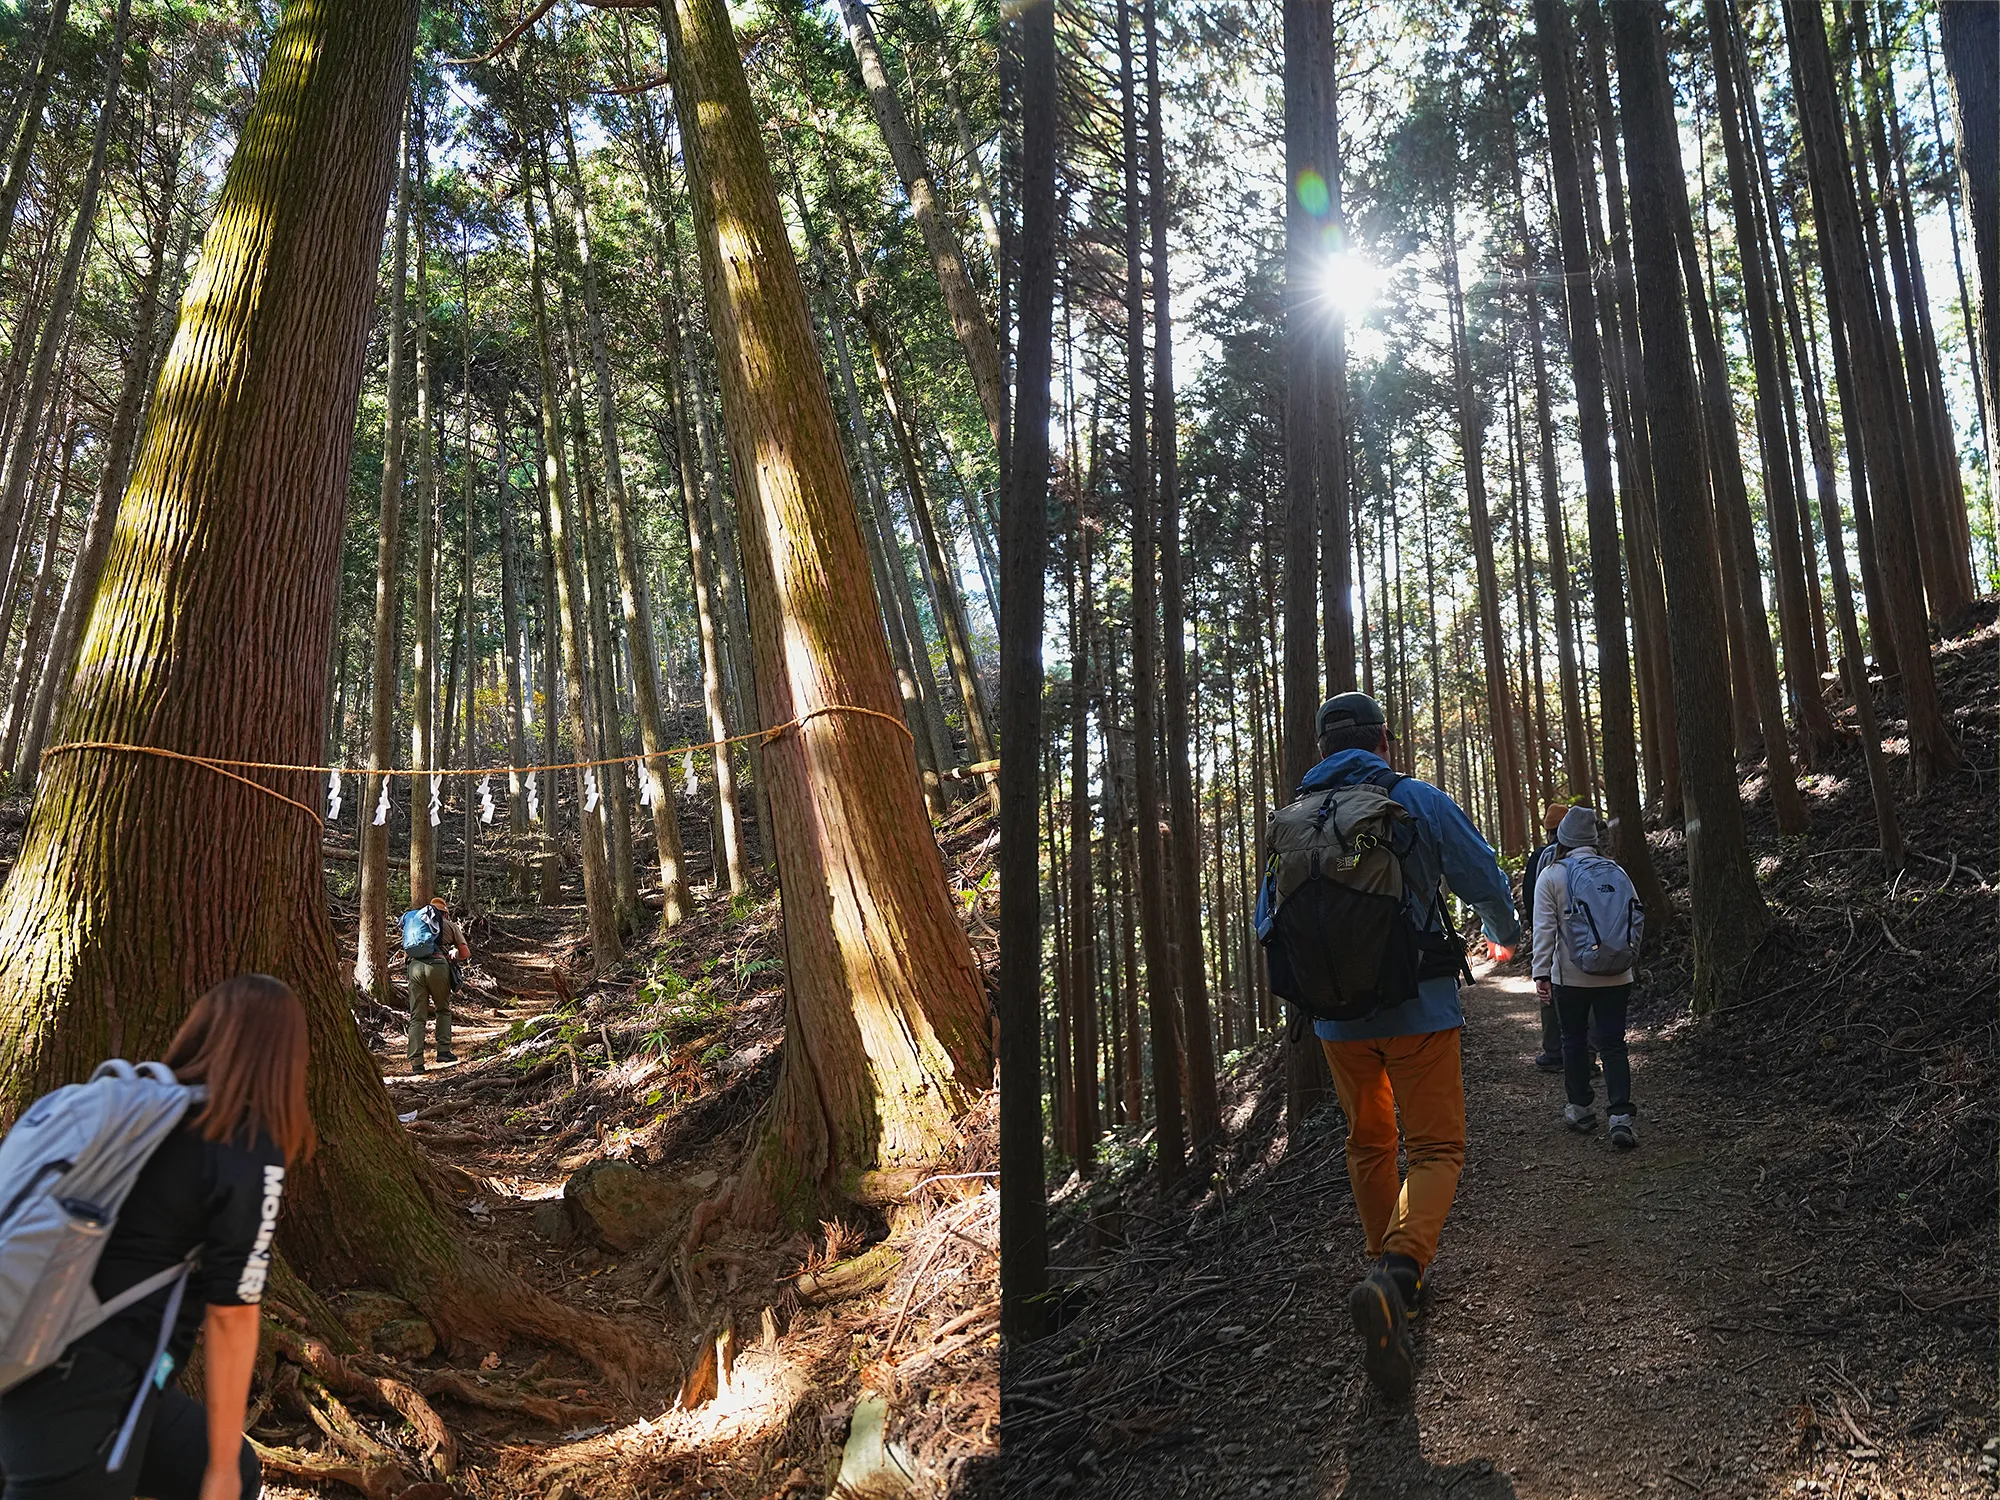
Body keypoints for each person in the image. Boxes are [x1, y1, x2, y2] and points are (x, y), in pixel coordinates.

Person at [1259, 692, 1521, 1399]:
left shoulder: (1292, 819)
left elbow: (1268, 921)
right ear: (1384, 739)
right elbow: (1480, 875)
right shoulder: (1418, 801)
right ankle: (1399, 1271)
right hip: (1420, 1007)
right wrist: (1508, 932)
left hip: (1337, 1023)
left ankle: (1386, 1274)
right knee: (1436, 1148)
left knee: (1369, 1143)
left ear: (1321, 750)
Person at [0, 974, 315, 1500]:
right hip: (82, 1381)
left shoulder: (130, 1108)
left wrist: (220, 1464)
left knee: (230, 1464)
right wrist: (218, 1471)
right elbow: (233, 1316)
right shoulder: (243, 1145)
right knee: (220, 1469)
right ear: (285, 1060)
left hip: (31, 1338)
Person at [1531, 805, 1639, 1148]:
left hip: (1572, 976)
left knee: (1574, 1039)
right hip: (1619, 974)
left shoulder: (1552, 874)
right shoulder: (1616, 871)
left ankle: (1580, 1108)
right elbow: (1634, 918)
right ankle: (1621, 1115)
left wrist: (1541, 973)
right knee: (1614, 1043)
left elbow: (1544, 930)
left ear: (1562, 838)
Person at [1521, 801, 1572, 1071]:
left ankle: (1553, 1052)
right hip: (1584, 940)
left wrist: (1536, 930)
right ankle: (1586, 1055)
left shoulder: (1539, 858)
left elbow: (1529, 896)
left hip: (1550, 936)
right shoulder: (1583, 857)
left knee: (1548, 990)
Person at [405, 895, 469, 1073]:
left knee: (417, 1016)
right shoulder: (449, 925)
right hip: (438, 967)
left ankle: (416, 1062)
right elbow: (465, 953)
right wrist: (454, 954)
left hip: (415, 967)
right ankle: (443, 1051)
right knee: (442, 1009)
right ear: (445, 914)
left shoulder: (416, 923)